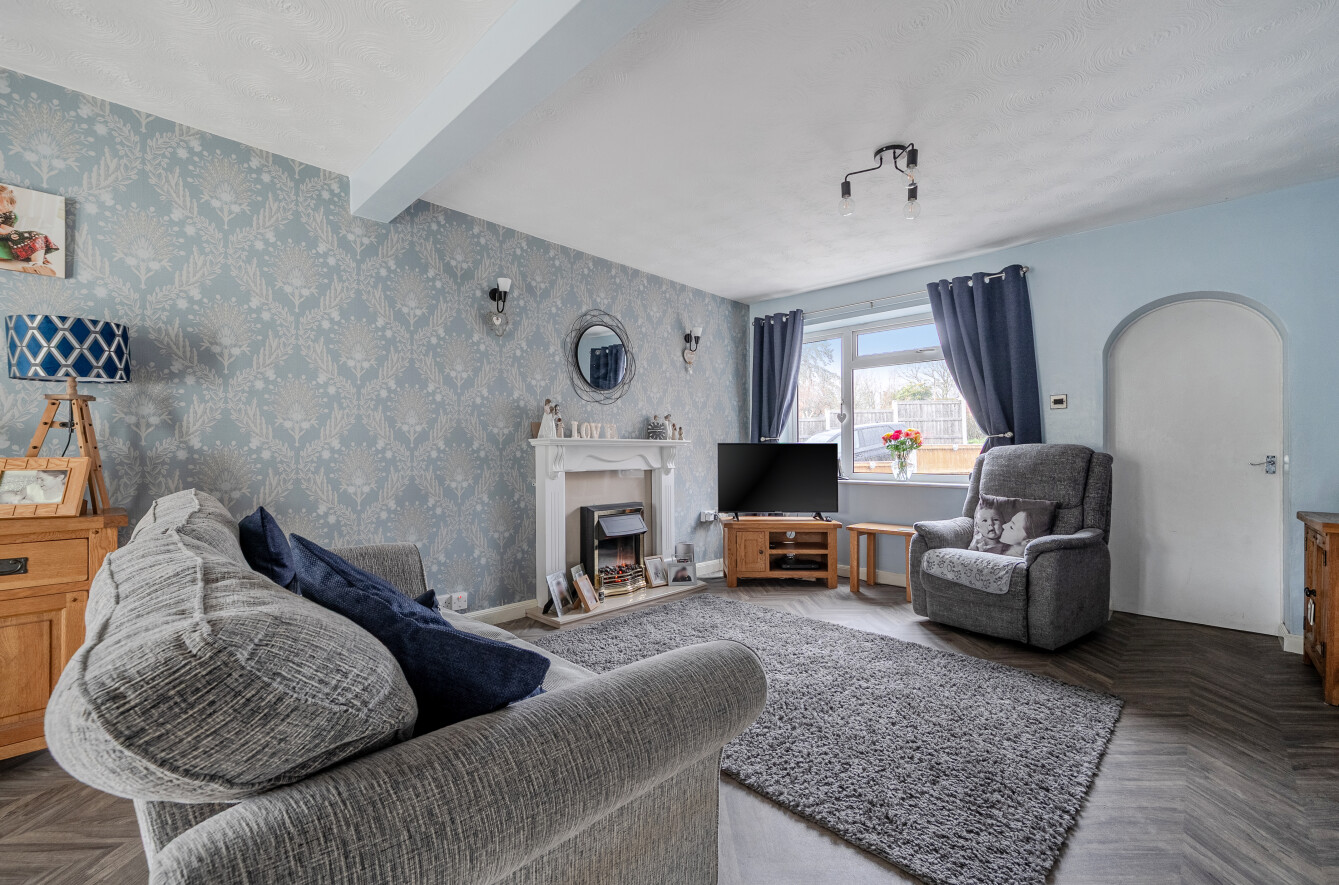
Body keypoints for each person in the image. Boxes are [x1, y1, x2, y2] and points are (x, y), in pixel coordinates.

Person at [0, 186, 60, 274]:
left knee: (36, 236)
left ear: (10, 205)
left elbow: (5, 231)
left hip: (9, 237)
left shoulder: (9, 215)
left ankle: (37, 264)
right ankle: (37, 263)